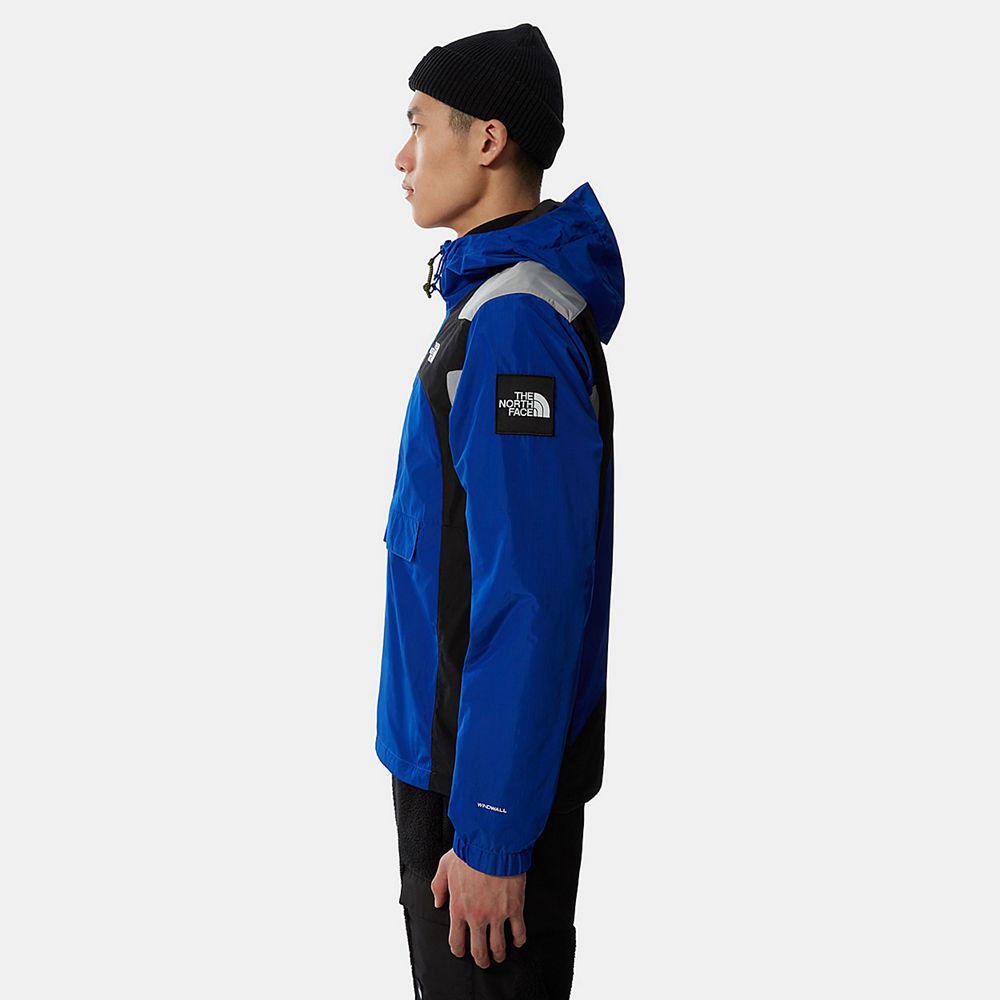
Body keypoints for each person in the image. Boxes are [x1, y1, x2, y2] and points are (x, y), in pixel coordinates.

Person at [377, 22, 625, 998]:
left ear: (487, 139)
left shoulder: (516, 324)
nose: (402, 158)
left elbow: (533, 592)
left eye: (418, 125)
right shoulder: (489, 306)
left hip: (476, 797)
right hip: (456, 765)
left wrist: (489, 828)